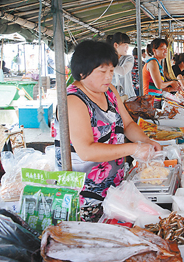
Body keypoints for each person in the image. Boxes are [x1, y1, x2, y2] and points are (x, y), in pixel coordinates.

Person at [54, 40, 161, 222]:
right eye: (102, 71)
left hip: (114, 190)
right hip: (85, 199)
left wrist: (146, 141)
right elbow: (86, 151)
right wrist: (133, 149)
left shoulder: (109, 91)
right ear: (82, 72)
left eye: (111, 71)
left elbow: (127, 124)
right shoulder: (72, 100)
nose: (108, 77)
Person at [143, 38, 180, 108]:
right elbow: (159, 85)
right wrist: (172, 82)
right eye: (162, 48)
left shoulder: (158, 65)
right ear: (154, 50)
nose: (166, 51)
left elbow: (158, 89)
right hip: (149, 101)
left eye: (166, 48)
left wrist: (173, 89)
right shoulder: (152, 63)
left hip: (155, 100)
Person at [106, 32, 136, 100]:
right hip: (113, 97)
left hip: (128, 97)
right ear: (116, 45)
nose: (127, 47)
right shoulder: (108, 60)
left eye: (128, 45)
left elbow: (123, 71)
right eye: (125, 44)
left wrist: (106, 64)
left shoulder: (128, 58)